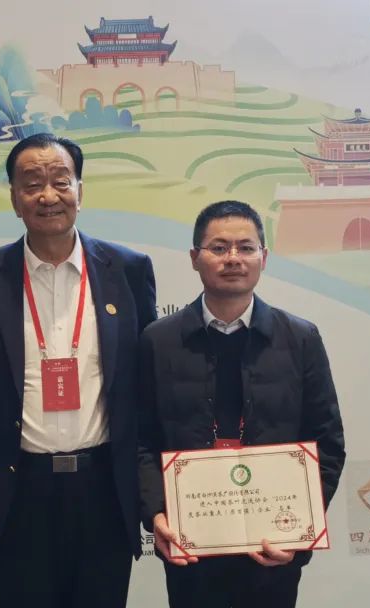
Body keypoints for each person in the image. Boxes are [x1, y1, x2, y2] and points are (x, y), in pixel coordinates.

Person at [0, 132, 157, 608]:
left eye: (61, 181)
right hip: (18, 489)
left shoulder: (129, 270)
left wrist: (150, 490)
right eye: (31, 184)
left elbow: (147, 388)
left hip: (105, 487)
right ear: (14, 198)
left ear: (80, 190)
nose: (47, 196)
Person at [136, 200, 346, 608]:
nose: (233, 258)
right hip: (191, 546)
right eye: (218, 248)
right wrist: (156, 514)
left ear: (263, 258)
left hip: (273, 547)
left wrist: (299, 533)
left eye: (246, 248)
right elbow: (142, 439)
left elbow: (327, 442)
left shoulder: (300, 339)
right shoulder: (158, 341)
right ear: (194, 258)